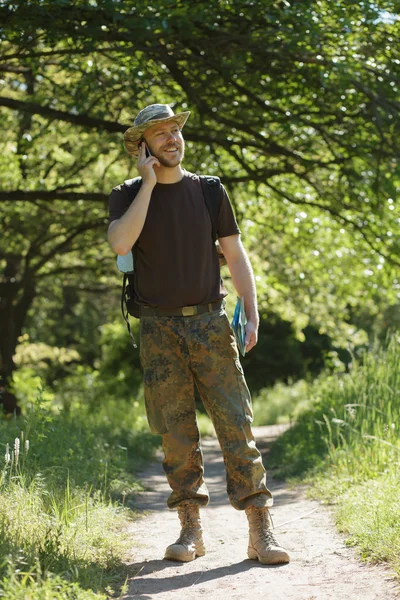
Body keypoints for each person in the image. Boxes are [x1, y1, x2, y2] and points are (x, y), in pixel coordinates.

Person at [107, 104, 290, 565]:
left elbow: (234, 250)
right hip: (158, 327)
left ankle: (260, 529)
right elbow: (120, 243)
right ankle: (190, 529)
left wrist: (250, 307)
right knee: (175, 431)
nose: (172, 139)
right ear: (143, 146)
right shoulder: (127, 194)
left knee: (236, 423)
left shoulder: (209, 191)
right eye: (160, 134)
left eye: (175, 130)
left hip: (211, 322)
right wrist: (148, 184)